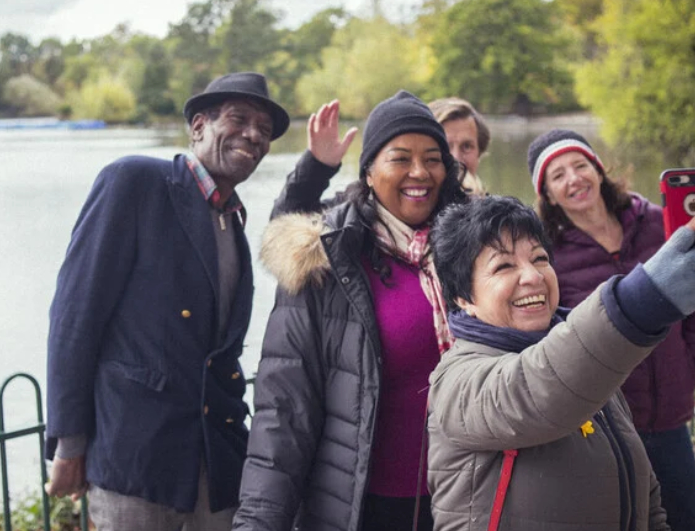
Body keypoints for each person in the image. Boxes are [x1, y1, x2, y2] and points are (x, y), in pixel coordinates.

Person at [43, 72, 289, 531]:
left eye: (264, 129)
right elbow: (75, 318)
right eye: (238, 119)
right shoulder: (135, 182)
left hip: (215, 466)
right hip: (136, 463)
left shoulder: (233, 223)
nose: (254, 135)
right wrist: (70, 443)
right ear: (198, 126)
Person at [233, 90, 467, 531]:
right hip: (364, 509)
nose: (420, 172)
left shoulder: (478, 249)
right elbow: (283, 412)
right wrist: (260, 522)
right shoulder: (326, 259)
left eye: (433, 158)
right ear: (369, 171)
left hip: (472, 498)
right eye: (400, 158)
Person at [426, 195, 695, 530]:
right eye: (503, 266)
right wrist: (640, 303)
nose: (533, 276)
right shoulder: (457, 381)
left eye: (540, 258)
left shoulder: (589, 366)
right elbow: (538, 388)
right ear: (463, 298)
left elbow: (643, 491)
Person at [528, 129, 695, 530]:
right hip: (608, 415)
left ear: (598, 169)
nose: (573, 179)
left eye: (579, 165)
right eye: (557, 175)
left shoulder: (655, 221)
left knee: (689, 519)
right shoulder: (550, 255)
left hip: (668, 410)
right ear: (548, 194)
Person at [270, 96, 486, 218]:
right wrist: (317, 167)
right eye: (447, 148)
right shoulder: (351, 218)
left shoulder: (486, 219)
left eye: (467, 147)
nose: (456, 158)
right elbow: (285, 226)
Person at [428, 97, 490, 195]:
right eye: (445, 147)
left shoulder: (503, 209)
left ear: (479, 154)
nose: (456, 159)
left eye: (466, 147)